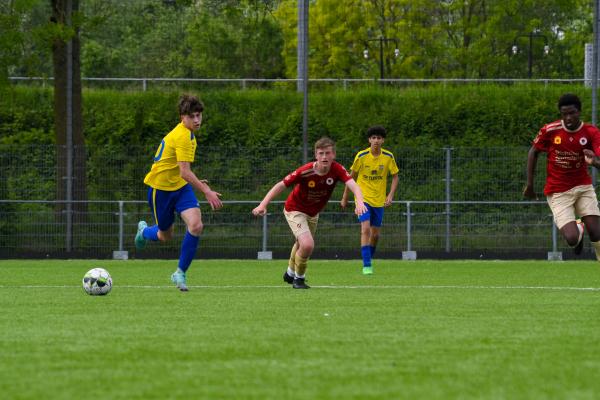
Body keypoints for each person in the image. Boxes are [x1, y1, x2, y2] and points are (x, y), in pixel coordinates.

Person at [252, 137, 368, 289]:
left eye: (328, 153)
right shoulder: (305, 171)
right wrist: (263, 204)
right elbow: (281, 185)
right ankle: (299, 279)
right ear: (316, 155)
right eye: (321, 153)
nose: (324, 157)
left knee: (301, 243)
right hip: (295, 209)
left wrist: (359, 202)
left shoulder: (337, 169)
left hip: (313, 212)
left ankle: (289, 272)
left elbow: (354, 185)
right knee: (307, 244)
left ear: (333, 155)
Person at [135, 94, 222, 291]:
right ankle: (144, 231)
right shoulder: (182, 135)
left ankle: (180, 273)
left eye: (199, 115)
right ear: (182, 117)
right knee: (165, 235)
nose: (197, 120)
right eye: (193, 116)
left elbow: (183, 173)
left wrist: (198, 183)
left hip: (181, 187)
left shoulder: (189, 134)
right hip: (161, 190)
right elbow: (184, 171)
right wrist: (206, 190)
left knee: (196, 225)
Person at [524, 93, 600, 260]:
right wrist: (530, 185)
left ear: (579, 112)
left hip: (583, 187)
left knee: (596, 232)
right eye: (564, 114)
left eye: (572, 113)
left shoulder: (591, 132)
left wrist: (595, 162)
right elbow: (533, 152)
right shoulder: (550, 130)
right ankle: (578, 230)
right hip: (558, 191)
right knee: (572, 238)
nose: (568, 118)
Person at [341, 125, 399, 275]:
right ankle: (366, 265)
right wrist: (345, 197)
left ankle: (368, 257)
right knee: (365, 229)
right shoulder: (361, 156)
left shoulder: (388, 157)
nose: (376, 140)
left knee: (375, 235)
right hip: (363, 198)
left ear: (383, 140)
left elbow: (395, 176)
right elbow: (350, 177)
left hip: (379, 200)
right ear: (369, 140)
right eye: (373, 138)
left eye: (379, 138)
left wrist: (390, 195)